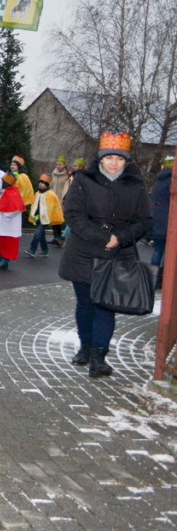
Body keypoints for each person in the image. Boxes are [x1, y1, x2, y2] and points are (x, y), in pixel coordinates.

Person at [59, 132, 151, 379]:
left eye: (119, 159)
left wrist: (120, 238)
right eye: (109, 157)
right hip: (83, 253)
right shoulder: (83, 180)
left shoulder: (136, 185)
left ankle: (99, 357)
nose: (113, 163)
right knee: (86, 303)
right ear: (100, 158)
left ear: (126, 161)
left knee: (105, 306)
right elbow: (73, 214)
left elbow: (144, 220)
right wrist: (102, 236)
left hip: (117, 255)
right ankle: (86, 347)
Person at [0, 174, 26, 269]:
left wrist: (4, 212)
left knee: (7, 241)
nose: (1, 183)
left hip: (8, 222)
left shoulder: (14, 193)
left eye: (3, 181)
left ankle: (6, 259)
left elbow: (14, 209)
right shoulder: (2, 192)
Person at [24, 174, 64, 259]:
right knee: (41, 235)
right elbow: (34, 205)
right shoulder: (37, 193)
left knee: (37, 233)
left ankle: (32, 250)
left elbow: (55, 207)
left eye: (43, 183)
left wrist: (53, 218)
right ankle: (45, 250)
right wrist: (34, 215)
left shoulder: (51, 195)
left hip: (45, 218)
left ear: (47, 184)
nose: (40, 184)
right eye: (40, 182)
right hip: (38, 217)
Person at [150, 158, 172, 290]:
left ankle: (153, 277)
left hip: (158, 221)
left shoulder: (158, 181)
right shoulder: (172, 181)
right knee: (169, 253)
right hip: (169, 222)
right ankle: (165, 279)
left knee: (158, 251)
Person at [48, 156, 70, 246]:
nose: (58, 166)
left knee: (59, 220)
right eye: (57, 164)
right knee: (53, 219)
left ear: (64, 165)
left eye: (60, 165)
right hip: (53, 199)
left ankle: (60, 237)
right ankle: (56, 237)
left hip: (61, 200)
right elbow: (51, 185)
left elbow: (67, 188)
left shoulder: (67, 176)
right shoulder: (53, 173)